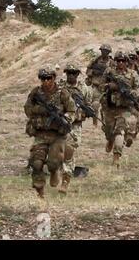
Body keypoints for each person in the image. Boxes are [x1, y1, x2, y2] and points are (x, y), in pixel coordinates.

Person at [24, 65, 76, 198]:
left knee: (53, 163)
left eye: (48, 78)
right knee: (36, 163)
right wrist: (40, 110)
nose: (46, 81)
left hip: (57, 135)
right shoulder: (36, 93)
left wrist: (65, 119)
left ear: (53, 78)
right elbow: (28, 109)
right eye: (43, 78)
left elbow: (72, 110)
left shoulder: (62, 93)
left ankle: (54, 172)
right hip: (41, 134)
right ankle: (40, 192)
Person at [100, 51, 139, 168]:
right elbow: (101, 86)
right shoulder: (109, 72)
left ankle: (116, 157)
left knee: (120, 132)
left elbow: (138, 89)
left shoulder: (133, 74)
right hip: (110, 108)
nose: (121, 63)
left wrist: (130, 93)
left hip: (125, 109)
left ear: (127, 62)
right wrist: (109, 86)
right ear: (115, 61)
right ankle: (110, 140)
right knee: (108, 132)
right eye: (118, 61)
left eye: (123, 61)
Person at [58, 63, 93, 194]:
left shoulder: (84, 89)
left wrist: (85, 112)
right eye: (69, 73)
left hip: (74, 126)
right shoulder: (60, 87)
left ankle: (65, 182)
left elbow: (89, 107)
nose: (71, 76)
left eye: (74, 73)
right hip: (59, 123)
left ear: (78, 75)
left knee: (69, 151)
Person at [85, 44, 113, 127]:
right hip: (96, 86)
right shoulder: (95, 60)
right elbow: (88, 70)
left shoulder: (111, 62)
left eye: (106, 51)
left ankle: (105, 124)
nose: (104, 53)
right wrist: (93, 72)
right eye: (103, 51)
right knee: (95, 105)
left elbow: (115, 73)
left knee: (106, 107)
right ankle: (95, 123)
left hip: (106, 87)